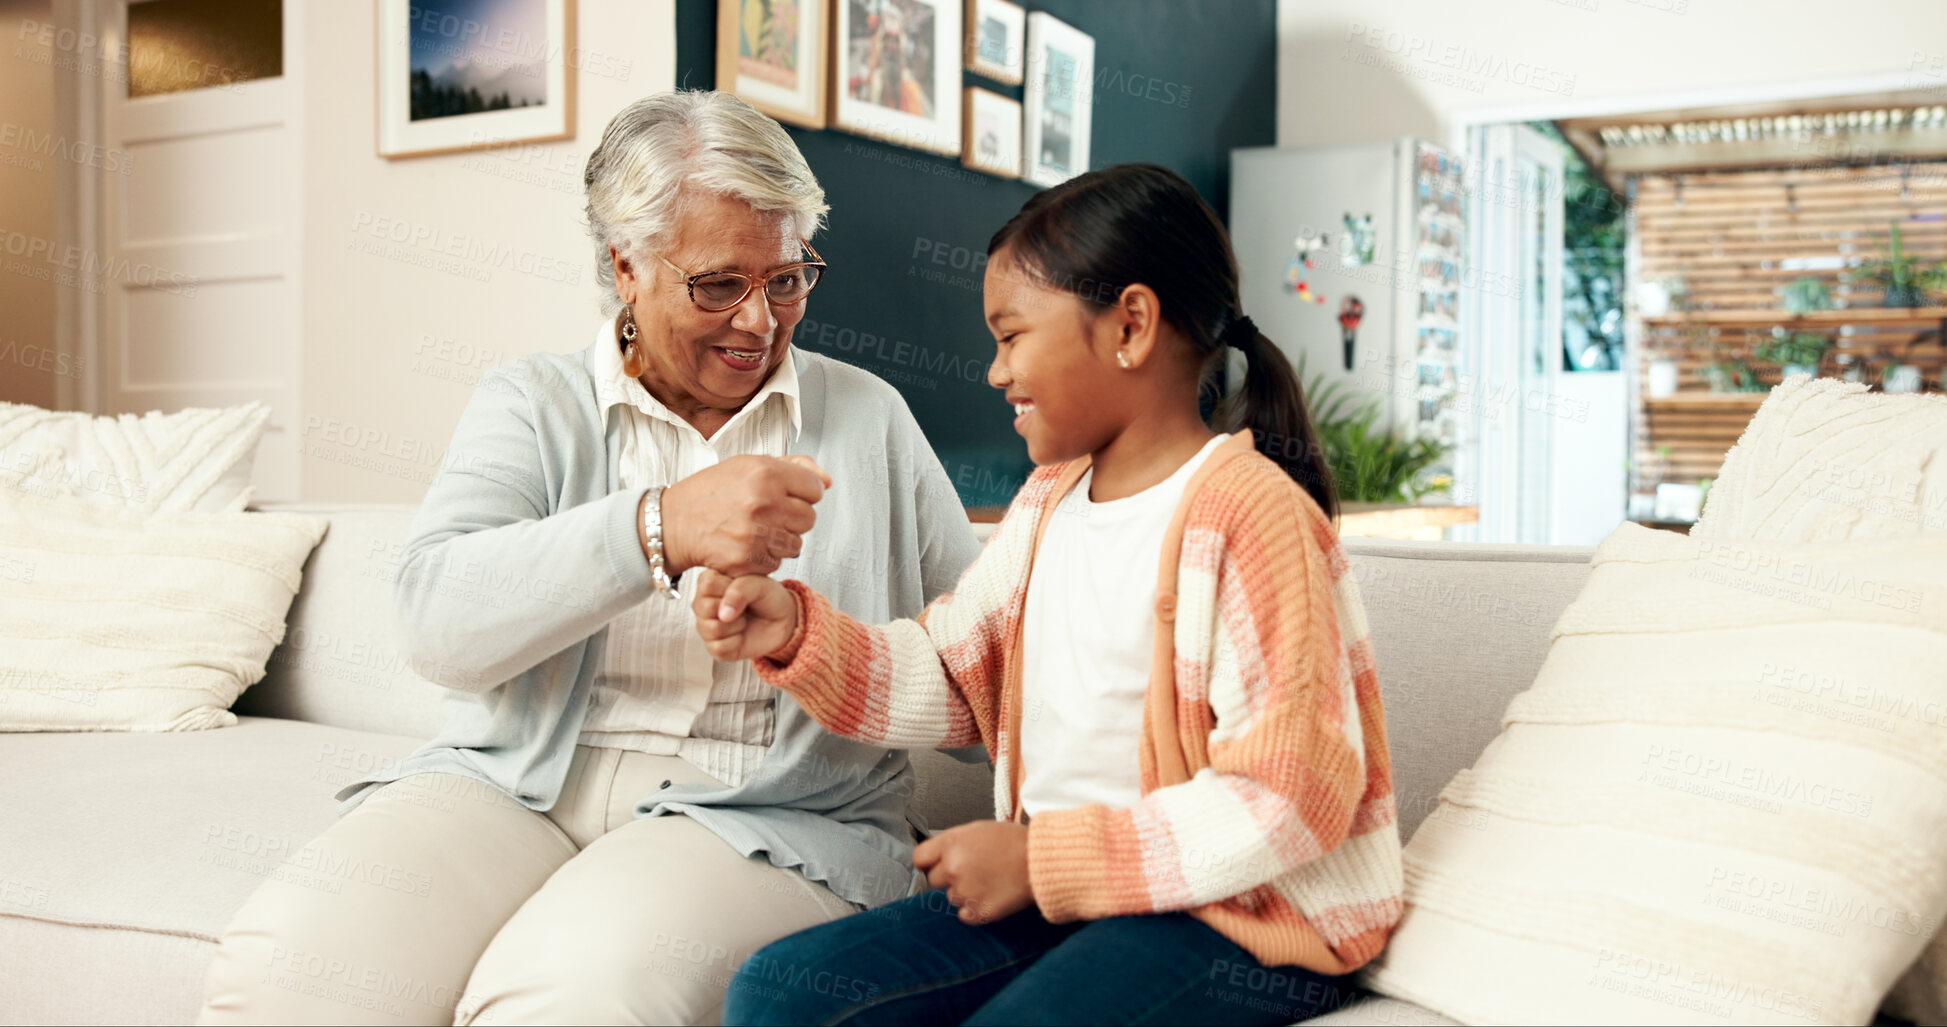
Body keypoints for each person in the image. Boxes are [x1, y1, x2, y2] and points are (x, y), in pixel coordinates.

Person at [196, 90, 980, 1026]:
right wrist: (657, 526)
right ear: (627, 267)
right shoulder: (531, 401)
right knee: (294, 965)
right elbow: (436, 623)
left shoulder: (869, 417)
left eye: (788, 278)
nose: (761, 320)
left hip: (760, 810)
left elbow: (979, 642)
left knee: (572, 991)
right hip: (512, 781)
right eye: (718, 283)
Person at [696, 164, 1403, 1026]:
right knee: (778, 994)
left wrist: (1039, 858)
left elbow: (1290, 796)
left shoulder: (1250, 516)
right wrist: (794, 631)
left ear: (1130, 326)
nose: (995, 372)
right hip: (1076, 892)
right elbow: (955, 674)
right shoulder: (1047, 504)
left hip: (1239, 919)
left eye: (1011, 336)